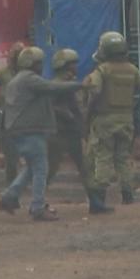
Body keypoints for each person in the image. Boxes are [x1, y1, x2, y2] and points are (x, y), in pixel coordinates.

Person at [0, 46, 86, 221]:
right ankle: (37, 207)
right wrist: (81, 85)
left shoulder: (16, 80)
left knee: (32, 167)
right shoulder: (30, 79)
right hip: (30, 131)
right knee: (40, 169)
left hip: (18, 131)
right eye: (39, 63)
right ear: (31, 63)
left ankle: (9, 196)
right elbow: (53, 88)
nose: (41, 66)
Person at [84, 31, 140, 207]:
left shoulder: (102, 70)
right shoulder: (132, 69)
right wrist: (135, 107)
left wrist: (89, 113)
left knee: (103, 157)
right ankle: (128, 196)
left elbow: (95, 91)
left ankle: (99, 198)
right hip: (126, 120)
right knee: (123, 158)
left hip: (104, 120)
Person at [46, 48, 110, 214]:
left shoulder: (72, 82)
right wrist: (65, 114)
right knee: (50, 169)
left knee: (85, 167)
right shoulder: (56, 85)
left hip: (72, 132)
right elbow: (51, 106)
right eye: (72, 64)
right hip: (59, 132)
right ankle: (37, 202)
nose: (76, 67)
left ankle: (95, 202)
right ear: (64, 66)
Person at [0, 42, 25, 185]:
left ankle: (21, 183)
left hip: (24, 116)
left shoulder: (26, 73)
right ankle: (12, 184)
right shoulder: (1, 72)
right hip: (6, 116)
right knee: (10, 154)